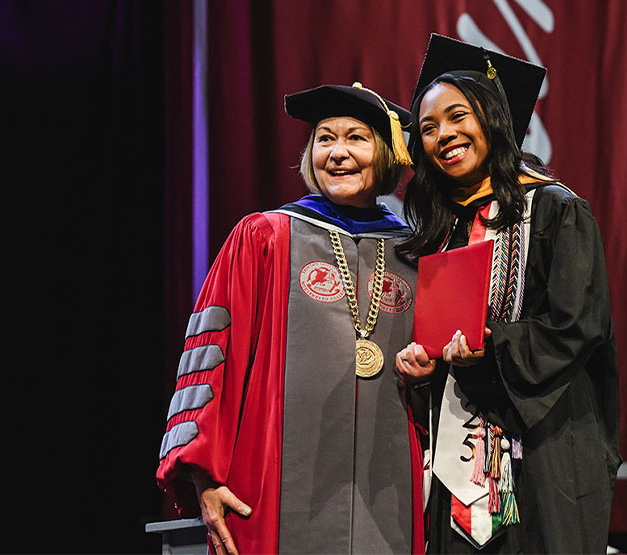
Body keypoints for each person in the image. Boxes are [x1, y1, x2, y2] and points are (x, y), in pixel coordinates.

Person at [157, 82, 426, 554]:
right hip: (270, 497)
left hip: (393, 500)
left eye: (356, 138)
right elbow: (211, 361)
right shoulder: (265, 238)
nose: (338, 153)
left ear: (386, 154)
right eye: (325, 138)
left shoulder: (415, 254)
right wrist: (203, 477)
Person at [395, 34, 620, 553]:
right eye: (427, 128)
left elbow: (576, 328)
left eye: (457, 117)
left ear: (493, 120)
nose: (442, 135)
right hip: (456, 461)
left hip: (546, 453)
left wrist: (490, 346)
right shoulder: (441, 230)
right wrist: (426, 367)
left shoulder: (555, 210)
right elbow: (440, 343)